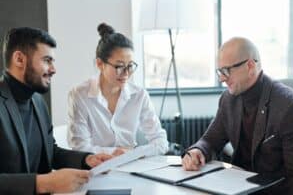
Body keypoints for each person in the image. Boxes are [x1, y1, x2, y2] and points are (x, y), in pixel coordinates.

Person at [0, 27, 113, 194]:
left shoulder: (37, 101)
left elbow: (50, 152)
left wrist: (87, 159)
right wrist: (42, 183)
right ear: (19, 59)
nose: (53, 69)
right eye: (47, 60)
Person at [182, 37, 293, 194]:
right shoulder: (228, 99)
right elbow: (210, 140)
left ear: (250, 66)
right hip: (236, 188)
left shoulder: (289, 106)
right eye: (220, 72)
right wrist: (198, 150)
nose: (222, 79)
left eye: (226, 71)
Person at [67, 23, 168, 156]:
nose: (126, 73)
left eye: (130, 66)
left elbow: (161, 142)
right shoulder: (79, 95)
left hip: (132, 166)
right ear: (100, 64)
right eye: (119, 66)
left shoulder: (139, 95)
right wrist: (118, 153)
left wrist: (133, 154)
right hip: (96, 168)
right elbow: (80, 148)